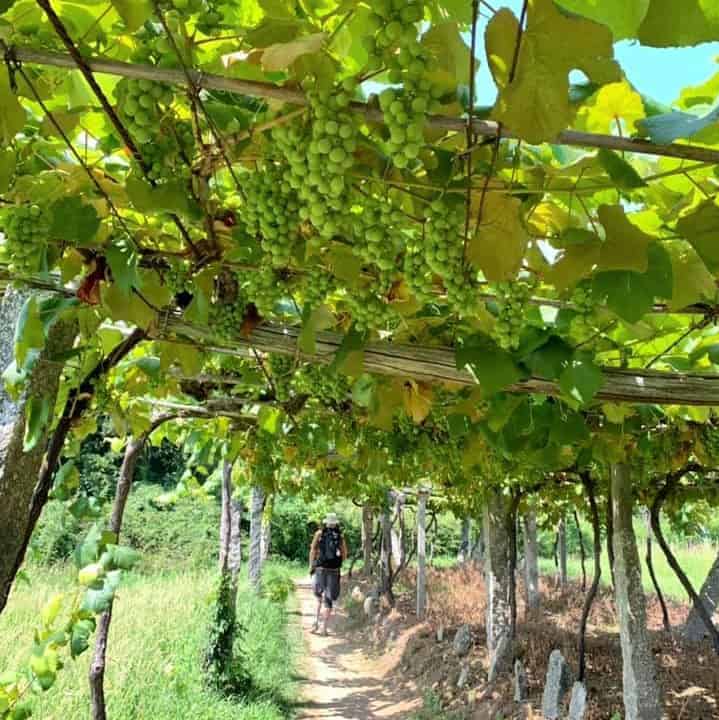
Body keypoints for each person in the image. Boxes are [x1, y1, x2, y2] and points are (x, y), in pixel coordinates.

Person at [309, 512, 348, 635]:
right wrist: (337, 562)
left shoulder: (319, 534)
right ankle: (324, 628)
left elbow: (313, 550)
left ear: (326, 522)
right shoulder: (340, 536)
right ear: (335, 523)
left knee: (318, 597)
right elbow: (345, 554)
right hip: (334, 570)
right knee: (328, 600)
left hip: (320, 568)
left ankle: (315, 623)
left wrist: (312, 565)